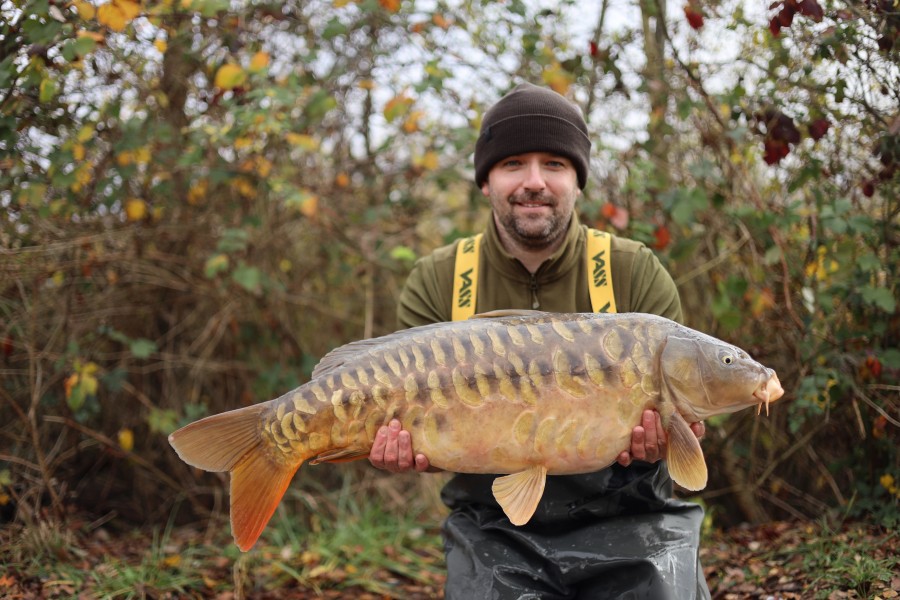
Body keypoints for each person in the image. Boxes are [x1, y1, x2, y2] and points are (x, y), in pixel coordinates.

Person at [369, 82, 711, 600]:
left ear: (578, 180)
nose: (534, 182)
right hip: (494, 526)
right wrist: (401, 448)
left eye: (554, 163)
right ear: (486, 181)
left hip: (632, 519)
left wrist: (663, 442)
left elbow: (681, 420)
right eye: (513, 164)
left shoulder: (632, 271)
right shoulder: (439, 280)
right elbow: (426, 435)